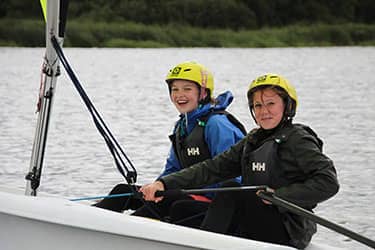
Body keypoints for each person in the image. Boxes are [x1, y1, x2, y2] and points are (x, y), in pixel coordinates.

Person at [140, 73, 340, 249]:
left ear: (287, 105)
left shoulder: (298, 139)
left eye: (271, 104)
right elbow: (211, 169)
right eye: (257, 105)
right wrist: (164, 183)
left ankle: (205, 246)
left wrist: (280, 195)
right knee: (184, 208)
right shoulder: (252, 140)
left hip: (288, 228)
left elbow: (328, 182)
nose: (264, 111)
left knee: (232, 193)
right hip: (255, 219)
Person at [93, 61, 245, 227]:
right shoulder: (181, 127)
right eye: (175, 89)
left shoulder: (217, 124)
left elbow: (232, 175)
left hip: (215, 203)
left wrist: (179, 191)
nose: (180, 95)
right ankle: (90, 223)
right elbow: (172, 169)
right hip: (185, 194)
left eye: (187, 89)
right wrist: (155, 188)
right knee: (123, 191)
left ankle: (124, 231)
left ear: (203, 93)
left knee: (171, 203)